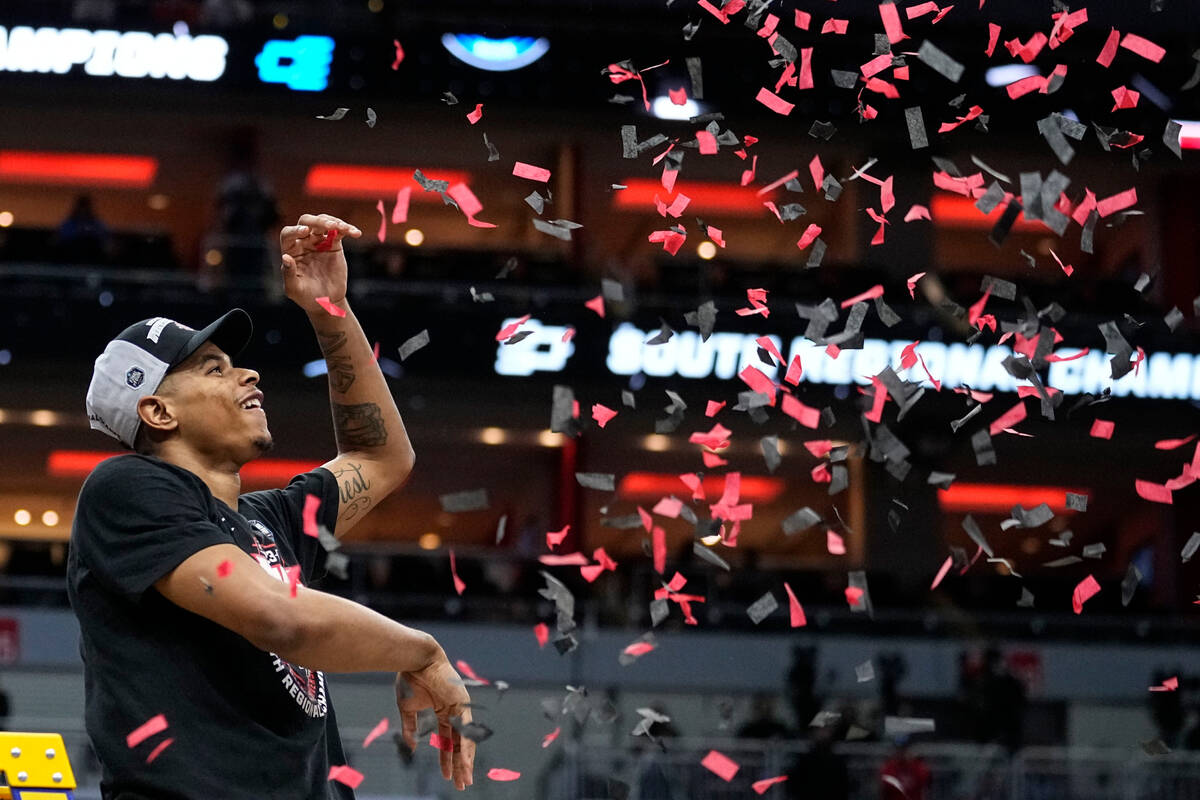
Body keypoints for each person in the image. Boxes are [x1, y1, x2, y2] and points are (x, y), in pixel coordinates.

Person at [68, 213, 474, 798]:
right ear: (159, 413)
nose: (248, 372)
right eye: (214, 368)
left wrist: (329, 307)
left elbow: (382, 457)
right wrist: (423, 652)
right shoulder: (125, 490)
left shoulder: (270, 520)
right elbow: (275, 616)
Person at [880, 736, 930, 800]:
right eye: (899, 749)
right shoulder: (889, 768)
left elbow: (925, 789)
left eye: (904, 749)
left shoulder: (918, 768)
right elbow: (884, 791)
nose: (902, 752)